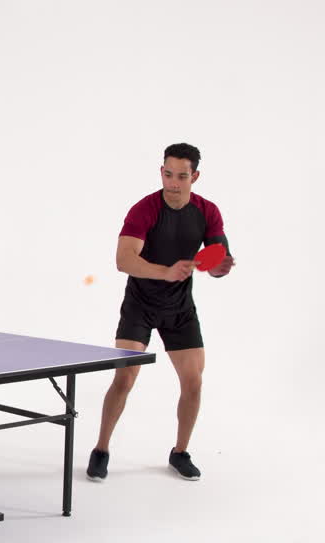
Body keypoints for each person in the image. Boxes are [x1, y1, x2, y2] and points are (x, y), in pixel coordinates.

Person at [87, 143, 235, 482]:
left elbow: (216, 259)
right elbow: (124, 260)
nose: (173, 183)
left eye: (182, 176)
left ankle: (180, 452)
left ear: (194, 176)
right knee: (124, 377)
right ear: (162, 172)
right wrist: (165, 271)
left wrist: (217, 266)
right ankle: (101, 449)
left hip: (180, 309)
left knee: (194, 383)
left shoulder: (207, 211)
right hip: (140, 305)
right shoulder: (145, 209)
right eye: (168, 174)